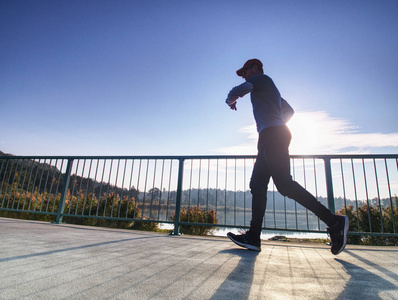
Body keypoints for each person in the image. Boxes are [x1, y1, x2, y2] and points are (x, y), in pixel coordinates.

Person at [225, 59, 349, 255]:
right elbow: (289, 110)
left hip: (272, 136)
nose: (245, 75)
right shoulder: (270, 91)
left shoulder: (261, 79)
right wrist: (277, 123)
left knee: (284, 185)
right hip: (270, 135)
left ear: (256, 68)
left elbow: (238, 90)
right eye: (243, 73)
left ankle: (335, 222)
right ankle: (253, 237)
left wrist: (230, 101)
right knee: (257, 185)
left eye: (246, 71)